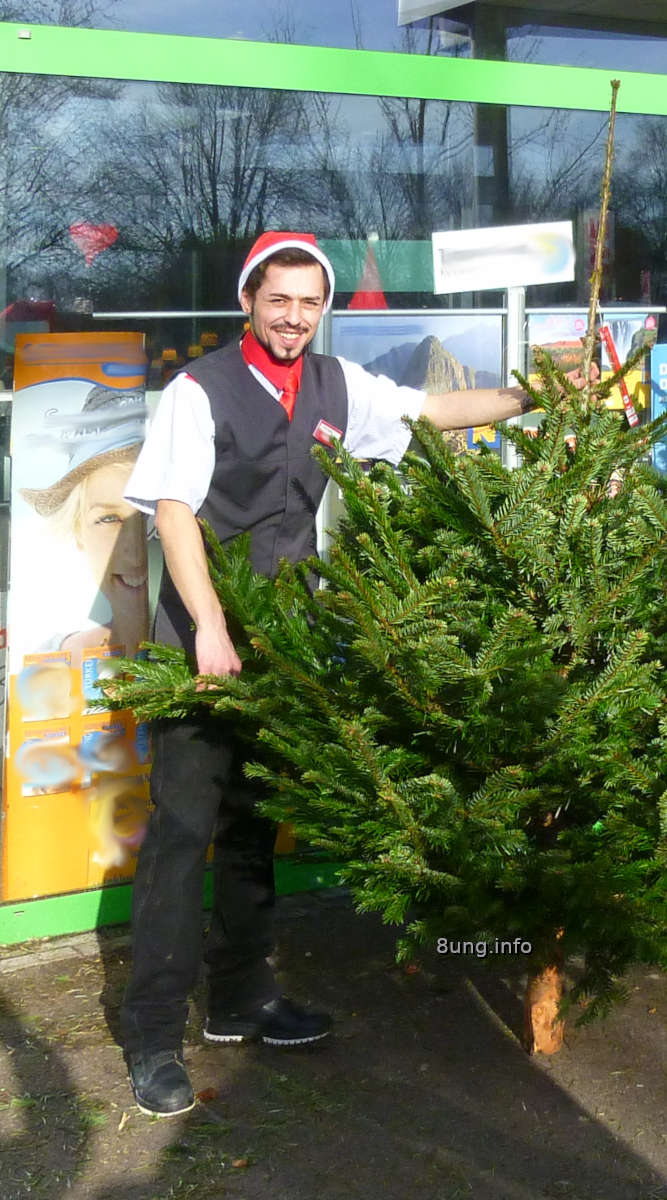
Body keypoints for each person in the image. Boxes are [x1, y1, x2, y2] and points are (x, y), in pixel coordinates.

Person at [121, 231, 592, 1118]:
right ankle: (150, 1034)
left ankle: (238, 1001)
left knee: (256, 823)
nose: (293, 317)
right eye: (278, 300)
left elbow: (429, 413)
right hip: (204, 645)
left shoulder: (339, 386)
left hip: (287, 640)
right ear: (249, 301)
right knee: (184, 835)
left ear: (322, 307)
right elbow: (174, 512)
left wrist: (541, 394)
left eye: (309, 301)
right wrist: (209, 630)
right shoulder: (200, 389)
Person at [20, 387, 149, 667]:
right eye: (108, 518)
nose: (134, 552)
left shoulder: (223, 654)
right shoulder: (51, 665)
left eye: (149, 516)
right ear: (78, 530)